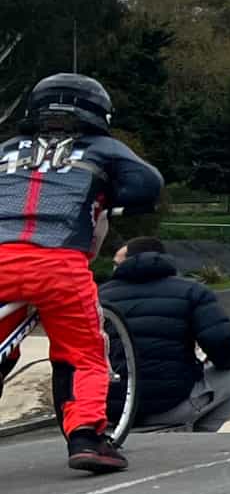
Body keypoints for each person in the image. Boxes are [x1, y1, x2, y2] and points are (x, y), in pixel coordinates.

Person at [0, 73, 164, 473]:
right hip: (58, 263)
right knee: (83, 353)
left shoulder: (5, 149)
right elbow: (148, 184)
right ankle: (88, 438)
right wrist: (107, 195)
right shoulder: (102, 148)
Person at [102, 237, 230, 431]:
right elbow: (219, 340)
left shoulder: (101, 295)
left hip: (113, 409)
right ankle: (198, 435)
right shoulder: (192, 291)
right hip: (169, 405)